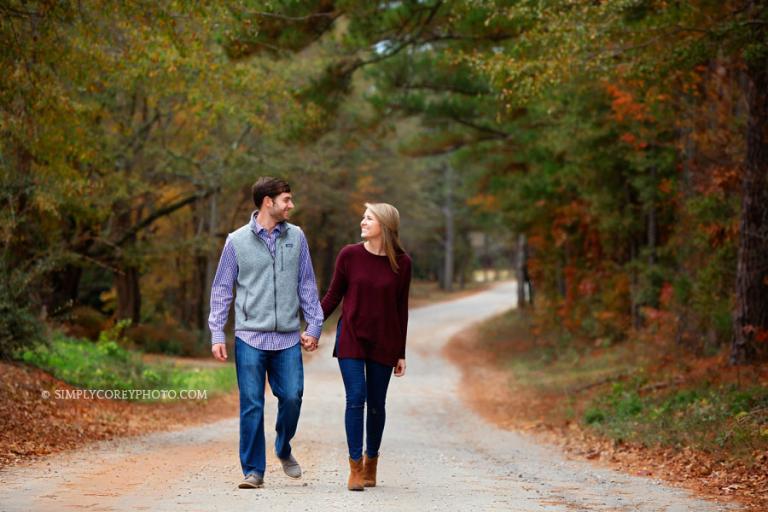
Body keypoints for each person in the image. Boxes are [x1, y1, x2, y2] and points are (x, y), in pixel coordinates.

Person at [209, 176, 322, 489]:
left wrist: (314, 325)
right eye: (286, 199)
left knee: (292, 396)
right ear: (267, 201)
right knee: (252, 404)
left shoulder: (296, 237)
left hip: (287, 338)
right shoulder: (236, 241)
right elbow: (221, 288)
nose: (291, 205)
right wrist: (217, 333)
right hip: (249, 337)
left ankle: (283, 447)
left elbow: (307, 283)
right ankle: (253, 470)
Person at [311, 202, 411, 491]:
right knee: (356, 397)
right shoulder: (349, 255)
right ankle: (354, 467)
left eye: (369, 218)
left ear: (385, 225)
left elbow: (400, 309)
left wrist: (401, 352)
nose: (362, 222)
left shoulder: (402, 263)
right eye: (363, 217)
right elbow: (332, 296)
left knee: (377, 405)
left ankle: (371, 463)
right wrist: (313, 329)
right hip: (351, 336)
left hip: (385, 340)